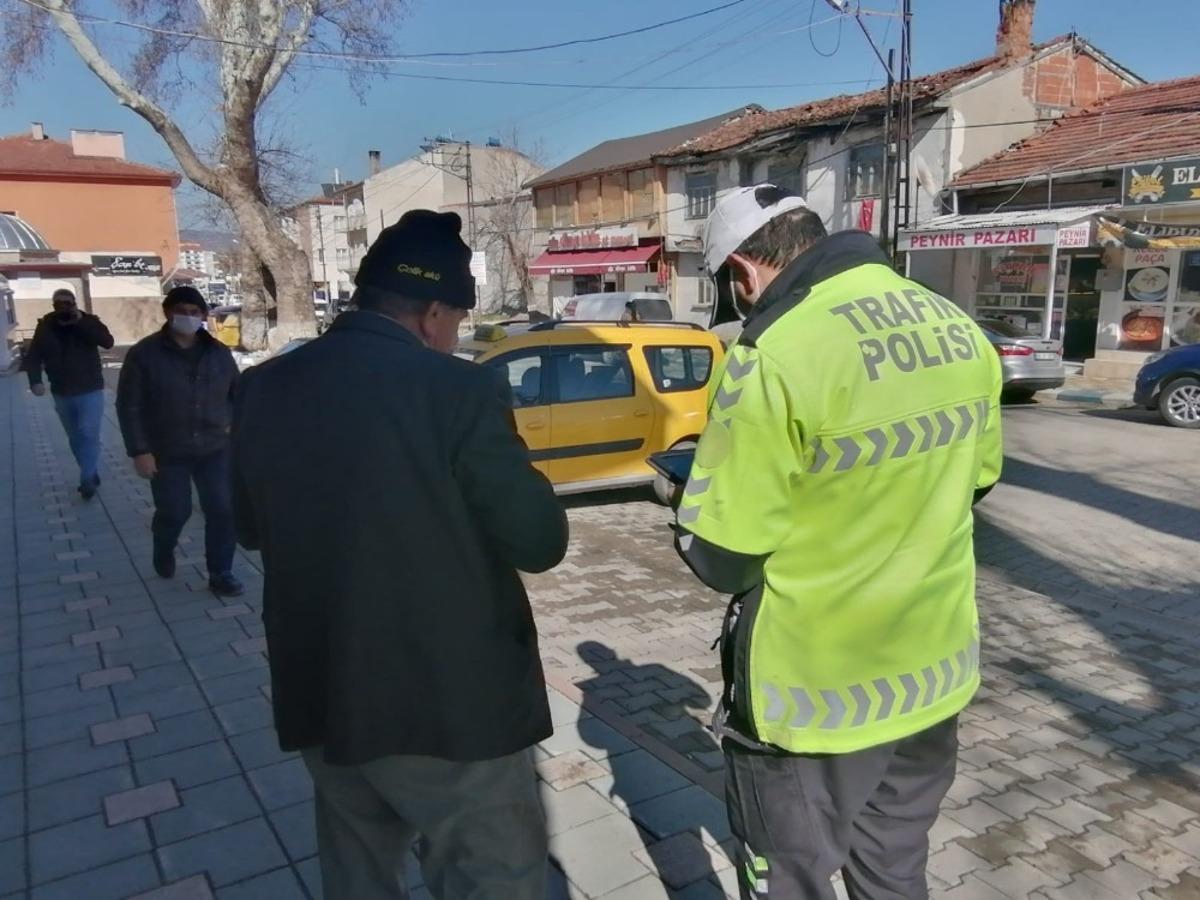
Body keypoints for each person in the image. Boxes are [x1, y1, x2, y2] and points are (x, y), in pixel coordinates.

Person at [674, 185, 1003, 900]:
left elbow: (721, 555)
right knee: (893, 871)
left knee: (787, 881)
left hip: (814, 698)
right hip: (931, 676)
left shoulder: (774, 351)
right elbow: (975, 481)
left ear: (743, 271)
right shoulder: (956, 326)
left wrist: (688, 499)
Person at [231, 209, 569, 900]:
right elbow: (540, 542)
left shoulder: (262, 386)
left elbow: (248, 528)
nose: (455, 337)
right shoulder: (458, 390)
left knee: (357, 874)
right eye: (457, 321)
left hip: (324, 689)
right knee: (493, 874)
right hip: (448, 707)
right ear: (433, 312)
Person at [116, 285, 243, 597]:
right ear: (168, 313)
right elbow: (129, 405)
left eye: (194, 312)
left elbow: (237, 394)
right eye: (181, 311)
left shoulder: (218, 352)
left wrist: (235, 427)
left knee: (223, 509)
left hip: (214, 447)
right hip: (167, 449)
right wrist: (140, 451)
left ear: (203, 315)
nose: (188, 317)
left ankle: (221, 572)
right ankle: (164, 545)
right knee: (175, 511)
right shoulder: (145, 354)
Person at [23, 289, 114, 500]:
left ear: (74, 303)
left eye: (67, 303)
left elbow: (107, 341)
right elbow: (34, 356)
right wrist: (35, 381)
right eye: (58, 304)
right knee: (75, 437)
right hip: (61, 390)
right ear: (53, 305)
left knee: (88, 432)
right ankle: (89, 470)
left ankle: (87, 478)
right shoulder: (46, 326)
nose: (63, 307)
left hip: (90, 388)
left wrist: (80, 321)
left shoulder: (89, 321)